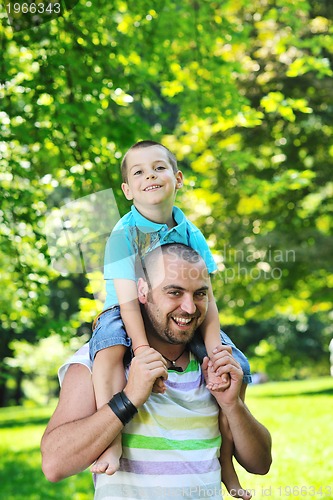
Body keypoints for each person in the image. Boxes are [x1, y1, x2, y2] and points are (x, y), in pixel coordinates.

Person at [41, 244, 272, 499]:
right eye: (174, 292)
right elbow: (54, 464)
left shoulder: (216, 363)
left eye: (200, 294)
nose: (190, 308)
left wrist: (233, 406)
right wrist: (129, 399)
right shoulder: (100, 360)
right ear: (142, 290)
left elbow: (260, 464)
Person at [89, 140, 248, 497]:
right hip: (126, 312)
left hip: (176, 312)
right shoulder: (123, 234)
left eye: (159, 168)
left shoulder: (190, 232)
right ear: (128, 190)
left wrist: (215, 348)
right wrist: (143, 350)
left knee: (234, 365)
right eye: (139, 172)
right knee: (109, 350)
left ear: (177, 178)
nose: (151, 176)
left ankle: (226, 464)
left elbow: (207, 295)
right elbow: (129, 302)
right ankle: (111, 439)